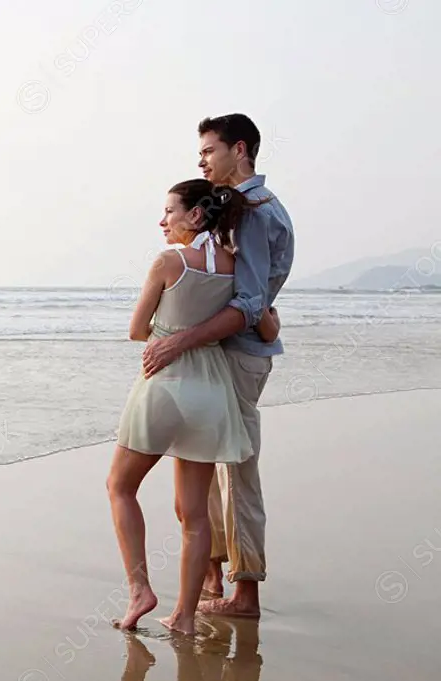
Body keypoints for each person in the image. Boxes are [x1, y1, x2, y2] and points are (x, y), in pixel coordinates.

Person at [106, 178, 280, 635]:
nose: (162, 220)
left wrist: (169, 334)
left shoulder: (167, 261)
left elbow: (136, 329)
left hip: (163, 387)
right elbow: (264, 324)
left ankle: (140, 589)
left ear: (196, 215)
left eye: (169, 211)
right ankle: (184, 617)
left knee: (120, 487)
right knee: (194, 513)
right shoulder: (234, 266)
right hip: (210, 393)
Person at [141, 114, 295, 619]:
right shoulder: (240, 208)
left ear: (241, 149)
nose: (202, 160)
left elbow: (250, 302)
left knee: (237, 470)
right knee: (202, 463)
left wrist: (178, 340)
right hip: (229, 352)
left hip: (239, 354)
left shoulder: (255, 211)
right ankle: (211, 575)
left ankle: (245, 592)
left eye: (209, 150)